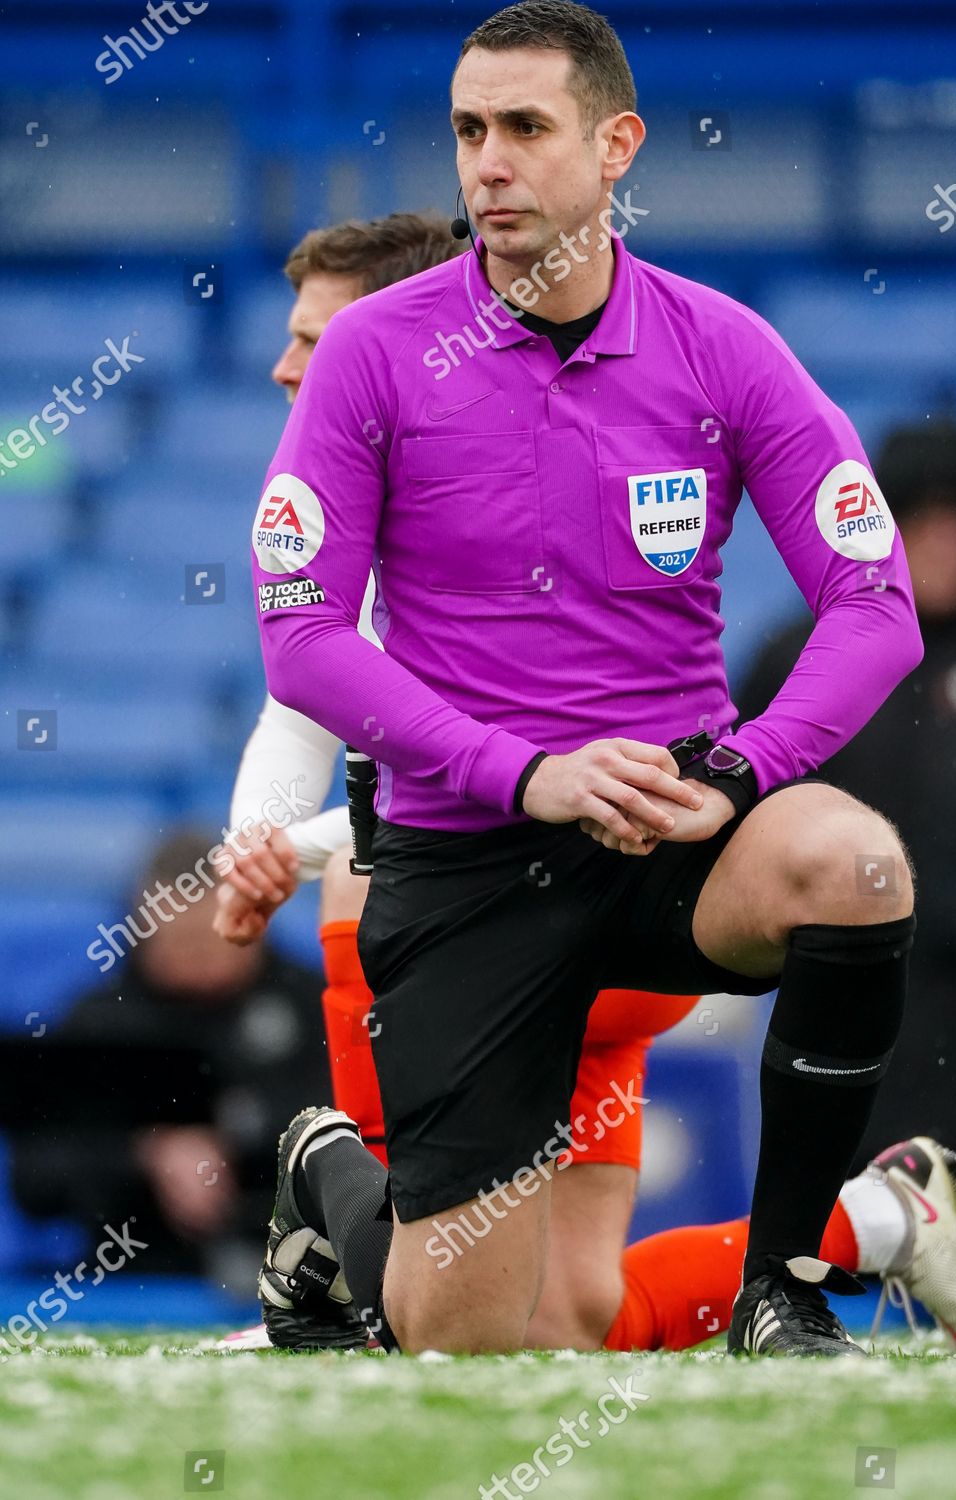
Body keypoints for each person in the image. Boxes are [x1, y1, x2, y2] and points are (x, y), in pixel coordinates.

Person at [248, 0, 926, 1358]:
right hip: (465, 866)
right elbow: (303, 636)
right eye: (466, 131)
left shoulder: (720, 345)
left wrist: (741, 768)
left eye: (523, 129)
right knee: (472, 1346)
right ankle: (332, 1168)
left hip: (665, 846)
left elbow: (874, 605)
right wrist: (526, 772)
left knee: (851, 864)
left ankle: (782, 1289)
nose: (486, 164)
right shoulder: (378, 354)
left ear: (616, 147)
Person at [214, 209, 704, 1351]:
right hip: (601, 911)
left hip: (564, 904)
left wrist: (300, 851)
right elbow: (306, 704)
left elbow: (457, 791)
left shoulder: (479, 485)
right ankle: (876, 1219)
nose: (289, 367)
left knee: (373, 877)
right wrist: (258, 840)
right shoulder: (362, 470)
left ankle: (336, 1198)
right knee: (568, 1321)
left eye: (314, 340)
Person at [736, 417, 956, 1258]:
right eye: (922, 523)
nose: (946, 545)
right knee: (844, 1235)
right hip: (855, 994)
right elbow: (739, 804)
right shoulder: (802, 655)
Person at [10, 831, 330, 1295]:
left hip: (294, 1282)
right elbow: (34, 1179)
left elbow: (353, 1149)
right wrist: (148, 1153)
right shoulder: (98, 1022)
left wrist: (234, 1140)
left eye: (213, 938)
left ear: (253, 922)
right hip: (128, 1289)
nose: (196, 961)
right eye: (177, 942)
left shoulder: (310, 1006)